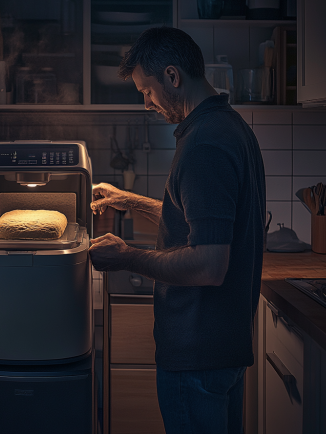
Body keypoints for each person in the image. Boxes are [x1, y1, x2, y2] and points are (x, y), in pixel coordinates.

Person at [89, 26, 265, 434]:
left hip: (197, 354)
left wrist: (127, 256)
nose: (148, 104)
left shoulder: (203, 144)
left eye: (147, 91)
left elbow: (208, 264)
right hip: (222, 349)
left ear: (172, 76)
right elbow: (197, 223)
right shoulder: (230, 127)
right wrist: (130, 200)